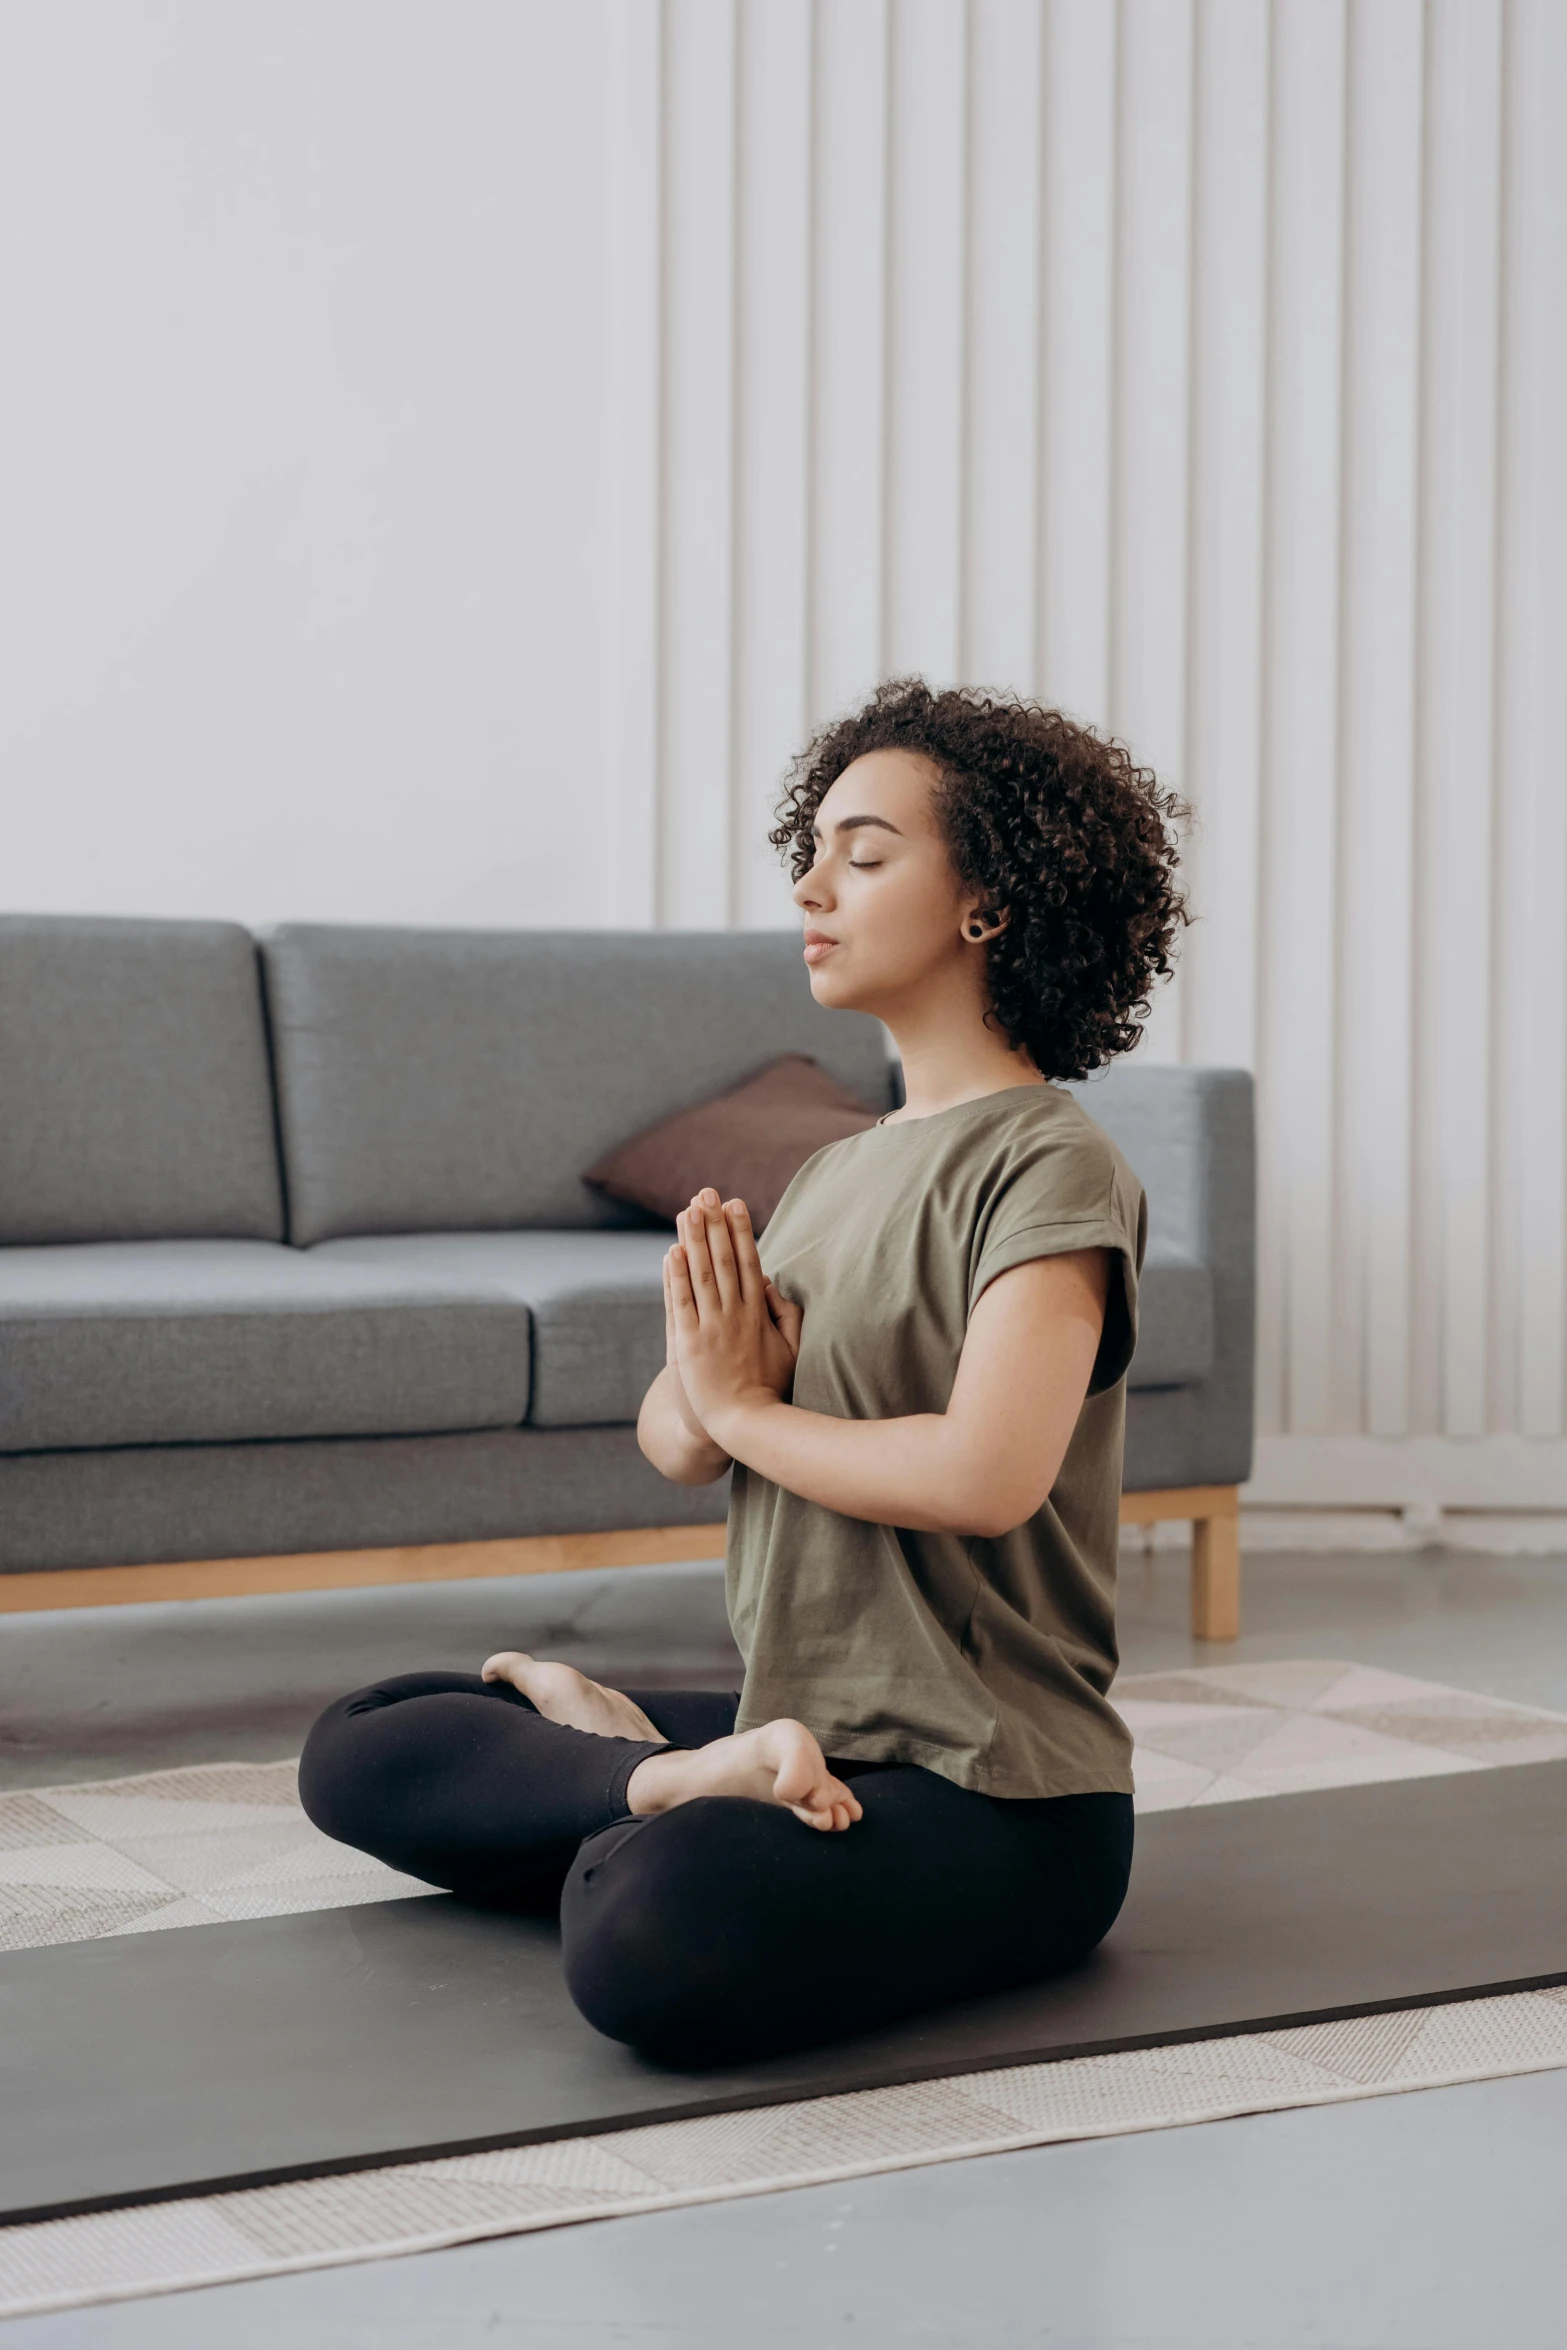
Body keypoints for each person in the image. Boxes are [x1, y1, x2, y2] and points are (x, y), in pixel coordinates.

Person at [300, 677, 1187, 2067]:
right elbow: (681, 1437)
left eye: (864, 851)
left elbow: (984, 1472)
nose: (810, 883)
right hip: (802, 1722)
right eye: (813, 847)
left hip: (993, 1791)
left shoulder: (1049, 1162)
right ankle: (666, 1772)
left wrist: (746, 1405)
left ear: (988, 902)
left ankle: (630, 1799)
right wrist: (713, 1391)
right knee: (366, 1737)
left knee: (649, 1939)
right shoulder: (830, 1168)